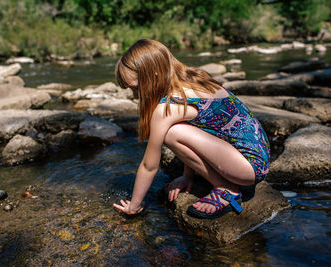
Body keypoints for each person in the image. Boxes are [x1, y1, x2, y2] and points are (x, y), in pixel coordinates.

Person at [113, 39, 270, 219]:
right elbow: (200, 129)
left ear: (154, 75)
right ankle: (217, 178)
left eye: (136, 88)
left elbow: (149, 166)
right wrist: (188, 176)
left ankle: (227, 189)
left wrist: (135, 205)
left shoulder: (168, 107)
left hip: (248, 168)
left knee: (171, 133)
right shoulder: (195, 77)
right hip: (259, 154)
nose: (135, 95)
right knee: (177, 129)